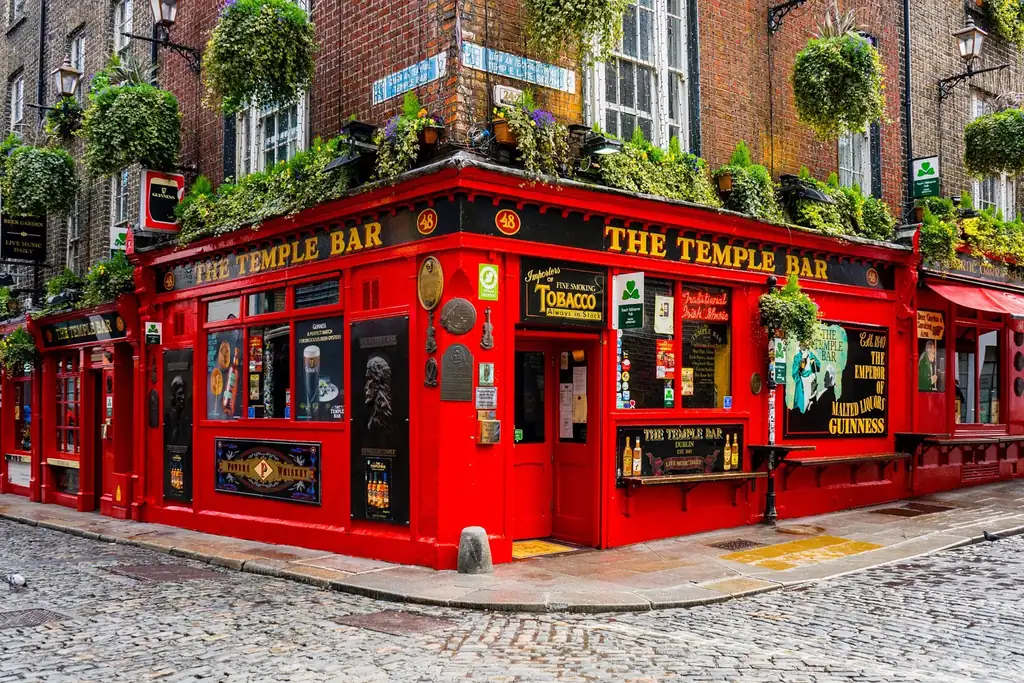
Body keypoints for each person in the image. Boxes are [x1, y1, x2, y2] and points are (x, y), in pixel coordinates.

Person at [791, 345, 820, 413]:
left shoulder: (811, 355)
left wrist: (812, 360)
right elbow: (796, 372)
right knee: (802, 401)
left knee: (811, 397)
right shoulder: (797, 357)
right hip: (802, 381)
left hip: (811, 379)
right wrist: (803, 361)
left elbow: (817, 368)